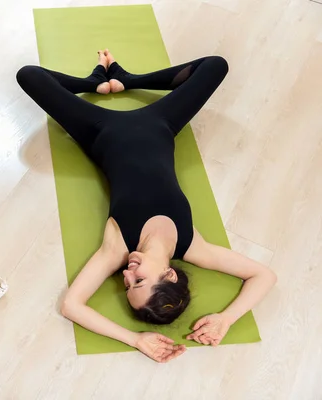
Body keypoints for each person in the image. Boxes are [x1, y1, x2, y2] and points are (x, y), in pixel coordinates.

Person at [16, 50, 277, 363]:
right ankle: (129, 80)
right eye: (138, 280)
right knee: (216, 65)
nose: (127, 274)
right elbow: (264, 275)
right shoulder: (193, 246)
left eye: (127, 285)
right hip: (161, 123)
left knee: (29, 75)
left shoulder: (118, 248)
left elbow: (71, 305)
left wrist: (135, 339)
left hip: (100, 129)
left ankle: (92, 82)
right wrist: (226, 319)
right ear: (169, 275)